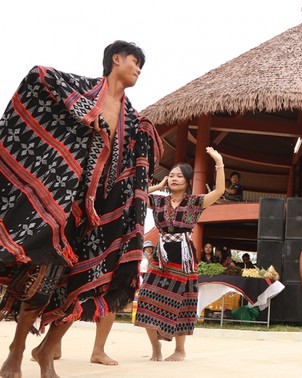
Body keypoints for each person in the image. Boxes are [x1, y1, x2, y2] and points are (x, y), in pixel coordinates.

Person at [0, 40, 162, 378]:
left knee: (88, 286)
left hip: (104, 215)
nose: (139, 69)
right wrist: (83, 114)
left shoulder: (134, 120)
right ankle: (16, 351)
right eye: (135, 61)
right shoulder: (82, 93)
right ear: (115, 60)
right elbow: (39, 76)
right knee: (42, 280)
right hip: (62, 206)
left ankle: (46, 351)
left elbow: (140, 165)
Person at [134, 148, 225, 362]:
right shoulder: (158, 201)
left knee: (183, 302)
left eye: (179, 176)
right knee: (146, 298)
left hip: (184, 257)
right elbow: (137, 194)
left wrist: (219, 162)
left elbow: (220, 190)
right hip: (161, 256)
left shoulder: (195, 202)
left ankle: (179, 350)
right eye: (172, 175)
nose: (174, 179)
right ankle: (156, 348)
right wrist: (158, 185)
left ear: (187, 181)